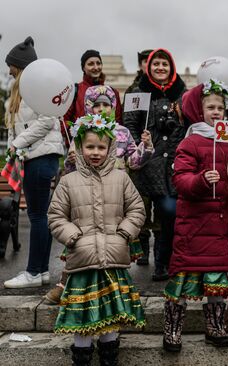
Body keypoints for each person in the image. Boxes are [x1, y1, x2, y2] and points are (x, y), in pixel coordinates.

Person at [47, 114, 146, 365]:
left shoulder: (121, 178)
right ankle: (81, 358)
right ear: (80, 147)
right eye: (89, 146)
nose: (95, 152)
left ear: (110, 148)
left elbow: (136, 209)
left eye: (101, 147)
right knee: (82, 318)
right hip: (82, 260)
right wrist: (73, 236)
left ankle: (109, 357)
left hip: (113, 258)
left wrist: (124, 232)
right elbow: (56, 215)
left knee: (111, 315)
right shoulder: (69, 181)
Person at [43, 85, 154, 304]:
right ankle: (65, 284)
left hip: (114, 197)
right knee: (81, 248)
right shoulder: (81, 131)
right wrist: (71, 161)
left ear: (113, 108)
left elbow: (134, 162)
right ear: (87, 107)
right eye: (96, 105)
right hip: (86, 199)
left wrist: (146, 147)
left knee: (115, 251)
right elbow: (71, 169)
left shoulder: (121, 132)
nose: (101, 109)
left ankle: (116, 291)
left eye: (106, 105)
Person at [162, 80, 228, 351]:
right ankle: (173, 330)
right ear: (199, 111)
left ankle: (216, 326)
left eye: (220, 107)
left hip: (222, 226)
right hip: (195, 226)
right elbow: (181, 181)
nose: (217, 112)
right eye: (210, 107)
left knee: (217, 281)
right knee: (184, 281)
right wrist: (200, 180)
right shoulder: (191, 142)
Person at [3, 36, 65, 289]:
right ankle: (40, 272)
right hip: (34, 158)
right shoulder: (18, 94)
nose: (8, 70)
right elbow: (14, 128)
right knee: (42, 216)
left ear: (21, 67)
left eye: (12, 66)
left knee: (38, 216)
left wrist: (17, 144)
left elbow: (48, 120)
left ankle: (32, 271)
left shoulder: (37, 90)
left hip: (41, 158)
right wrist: (12, 145)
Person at [124, 48, 187, 281]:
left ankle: (164, 262)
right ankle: (144, 256)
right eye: (156, 64)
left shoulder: (181, 92)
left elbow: (187, 124)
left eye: (165, 64)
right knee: (145, 213)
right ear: (148, 67)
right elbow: (129, 124)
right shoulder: (138, 92)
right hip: (147, 162)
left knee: (169, 212)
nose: (160, 68)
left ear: (171, 68)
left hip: (173, 160)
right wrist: (136, 150)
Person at [63, 50, 123, 138]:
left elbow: (118, 121)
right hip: (80, 146)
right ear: (83, 68)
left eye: (98, 63)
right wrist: (76, 136)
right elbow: (64, 121)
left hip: (106, 145)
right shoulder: (75, 90)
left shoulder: (113, 93)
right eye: (91, 64)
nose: (96, 67)